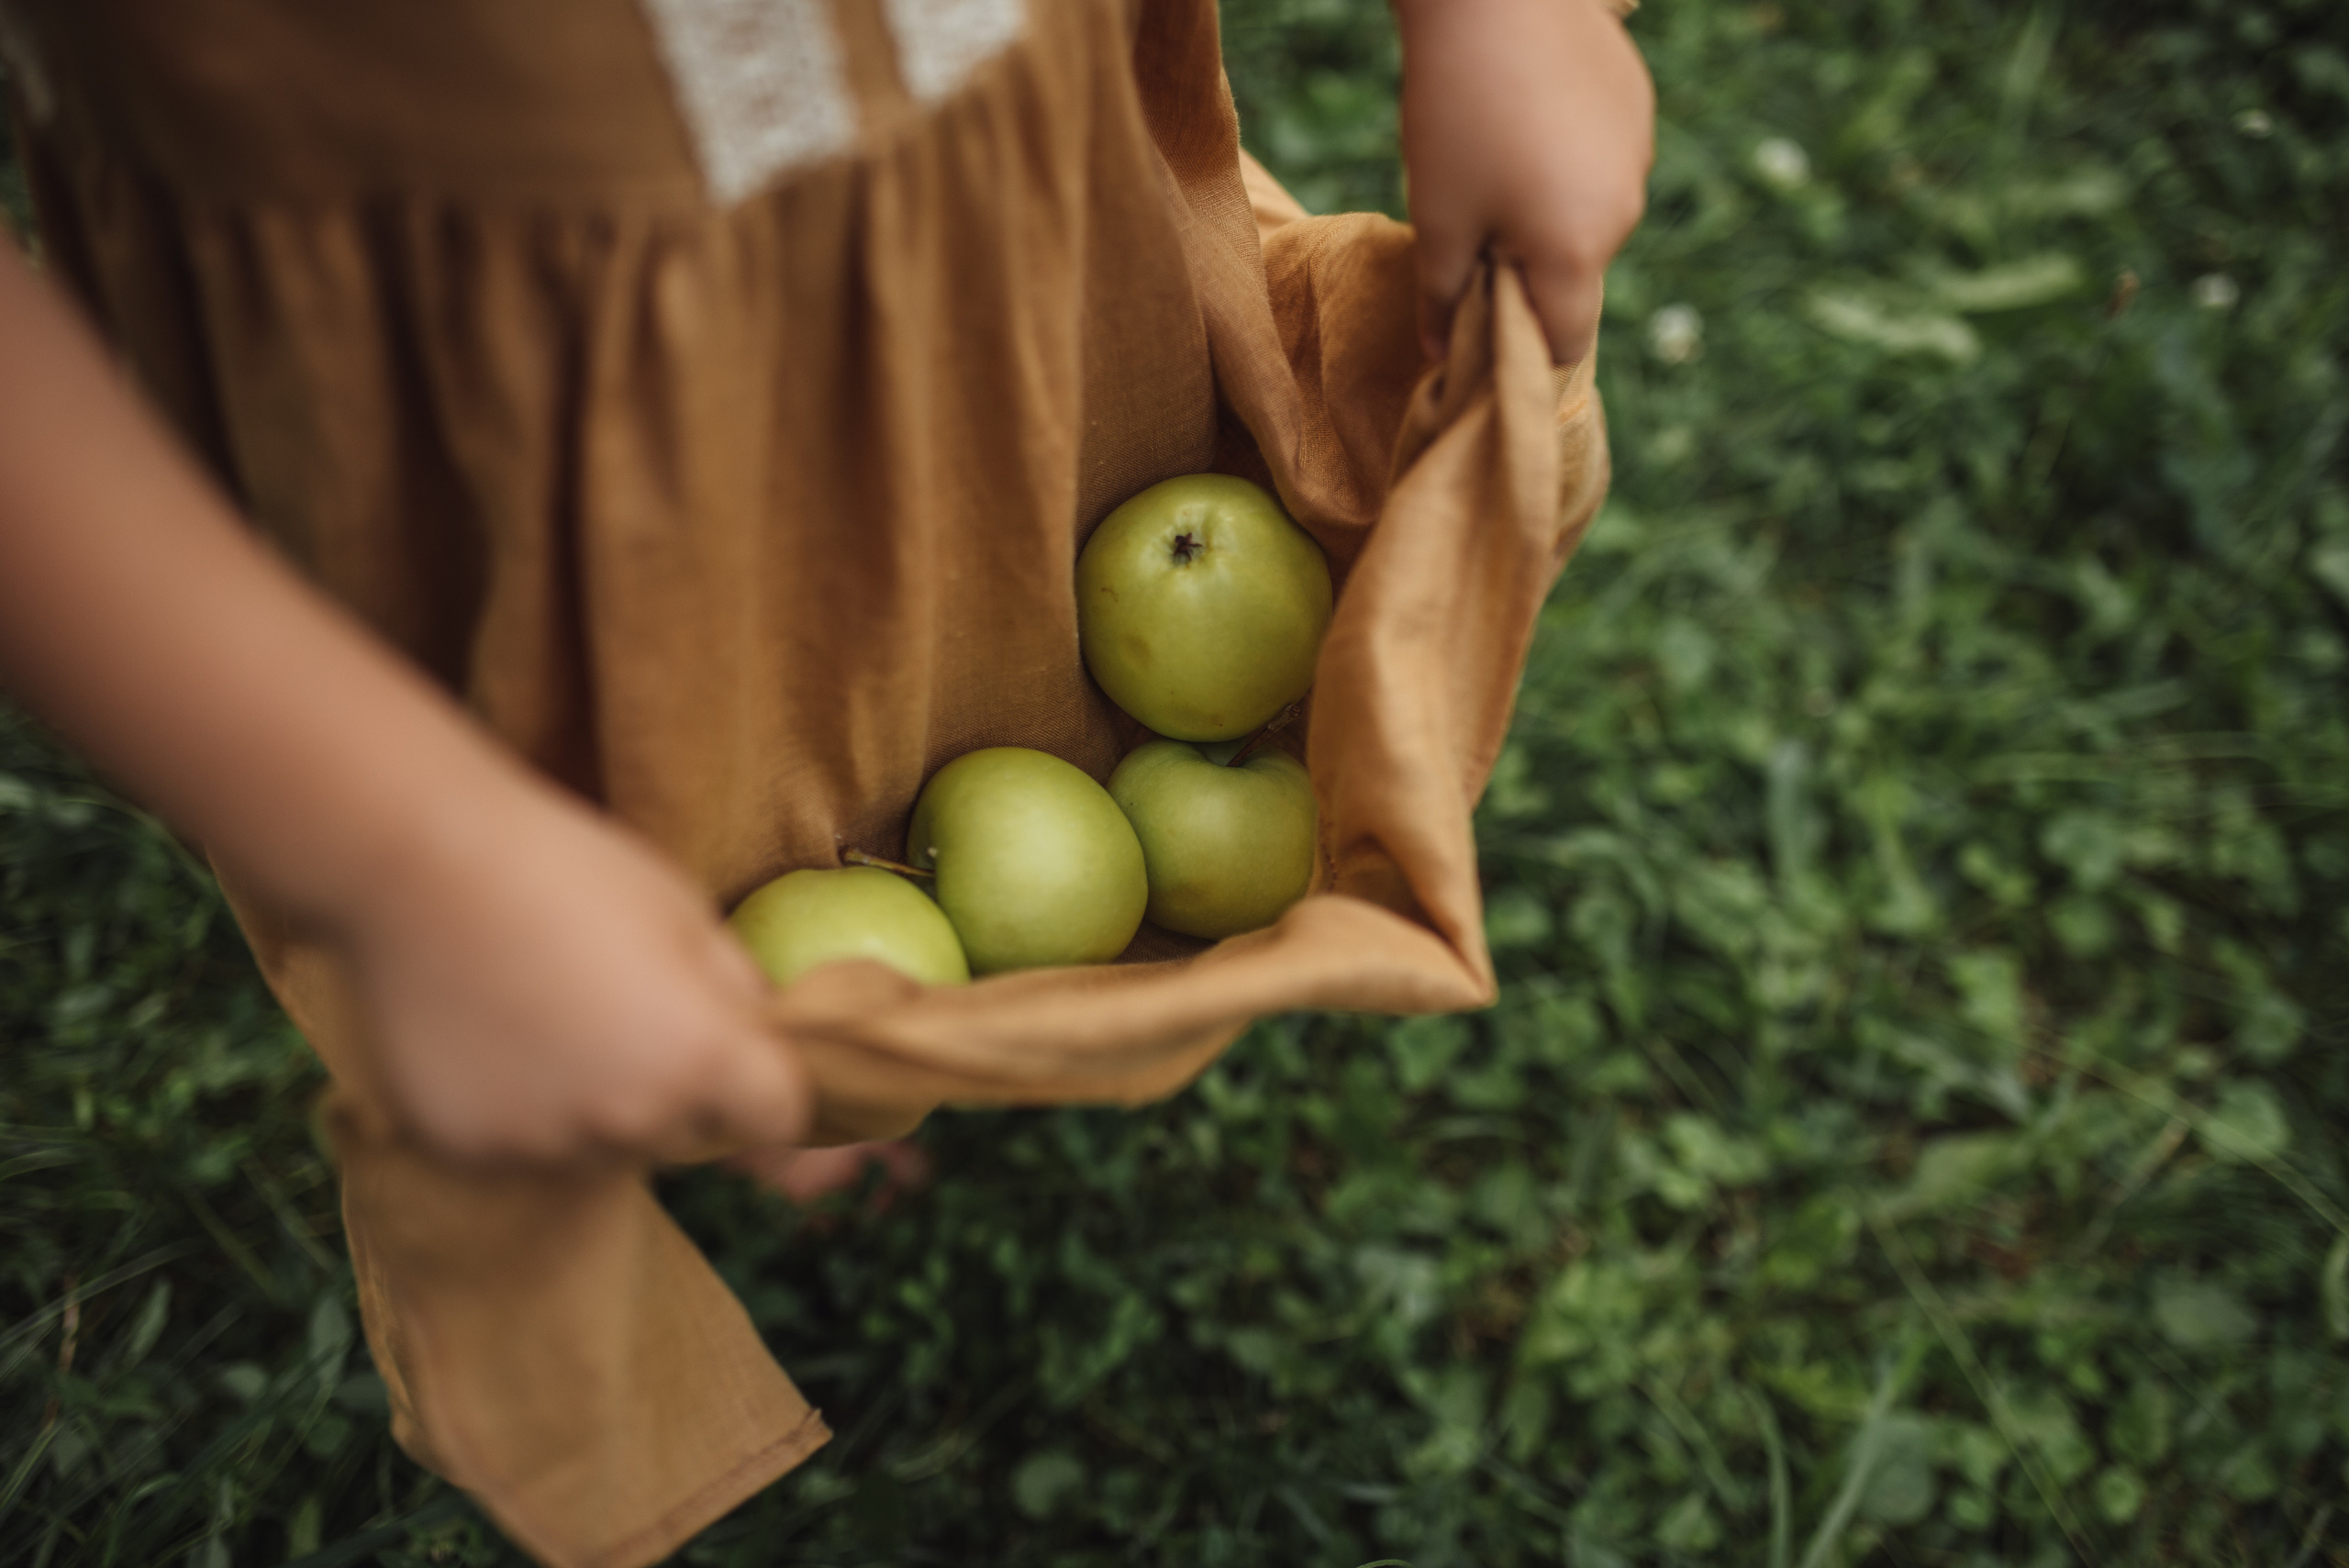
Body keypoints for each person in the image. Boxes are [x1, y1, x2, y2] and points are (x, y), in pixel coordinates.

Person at [0, 0, 1651, 1559]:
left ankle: (838, 1054)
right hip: (492, 385)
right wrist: (401, 847)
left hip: (988, 248)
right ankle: (807, 1066)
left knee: (932, 702)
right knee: (650, 851)